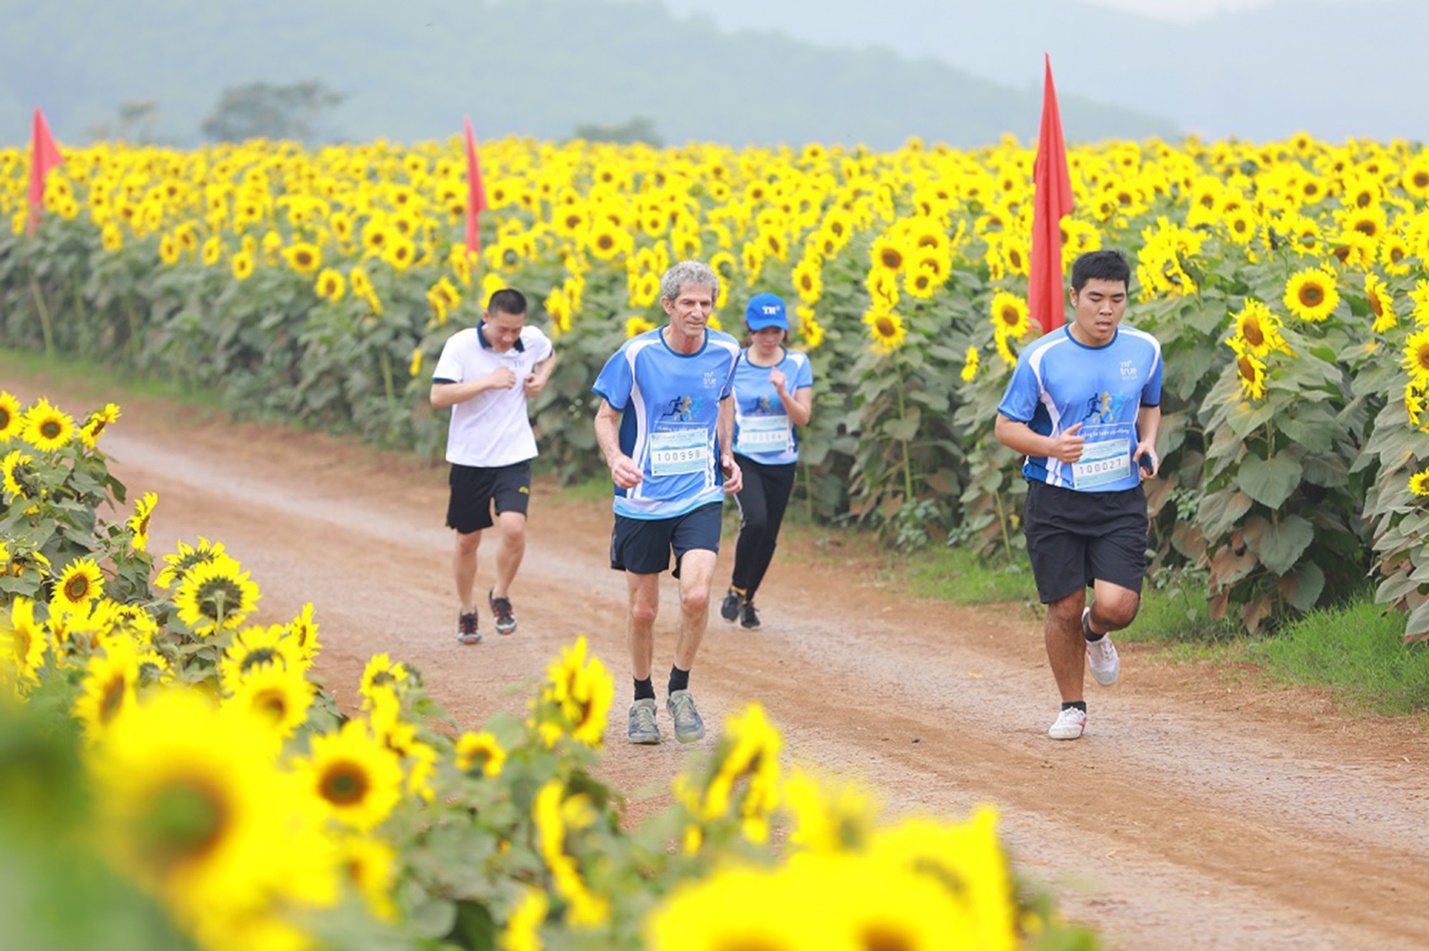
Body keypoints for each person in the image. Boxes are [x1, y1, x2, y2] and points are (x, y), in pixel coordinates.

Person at [993, 249, 1162, 741]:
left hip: (1119, 498)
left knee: (1118, 607)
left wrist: (1148, 443)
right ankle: (1073, 706)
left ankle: (1096, 633)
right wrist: (1051, 445)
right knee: (1063, 607)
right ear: (1074, 297)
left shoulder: (1145, 350)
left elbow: (1151, 405)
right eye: (1095, 299)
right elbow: (1007, 427)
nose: (1106, 310)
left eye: (1117, 299)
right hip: (1055, 498)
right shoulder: (1041, 357)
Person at [592, 260, 743, 745]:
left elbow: (723, 399)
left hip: (699, 492)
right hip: (642, 498)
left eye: (705, 303)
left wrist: (726, 452)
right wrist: (615, 458)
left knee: (696, 595)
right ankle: (641, 700)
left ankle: (679, 688)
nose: (698, 312)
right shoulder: (636, 356)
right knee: (643, 611)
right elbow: (604, 416)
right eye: (688, 304)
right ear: (668, 306)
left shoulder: (726, 350)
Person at [430, 288, 557, 645]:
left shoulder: (529, 341)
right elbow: (438, 396)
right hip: (470, 457)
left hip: (514, 454)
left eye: (515, 330)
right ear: (486, 317)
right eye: (503, 329)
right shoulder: (460, 345)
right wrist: (488, 380)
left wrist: (541, 378)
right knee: (468, 540)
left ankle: (500, 594)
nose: (509, 338)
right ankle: (467, 609)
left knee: (514, 529)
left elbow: (549, 356)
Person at [718, 292, 814, 631]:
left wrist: (784, 392)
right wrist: (724, 452)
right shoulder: (735, 363)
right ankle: (735, 590)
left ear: (784, 331)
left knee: (770, 536)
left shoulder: (797, 364)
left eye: (776, 331)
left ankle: (746, 597)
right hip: (746, 459)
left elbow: (803, 418)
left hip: (782, 461)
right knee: (755, 522)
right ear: (749, 330)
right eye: (762, 331)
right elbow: (721, 407)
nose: (769, 338)